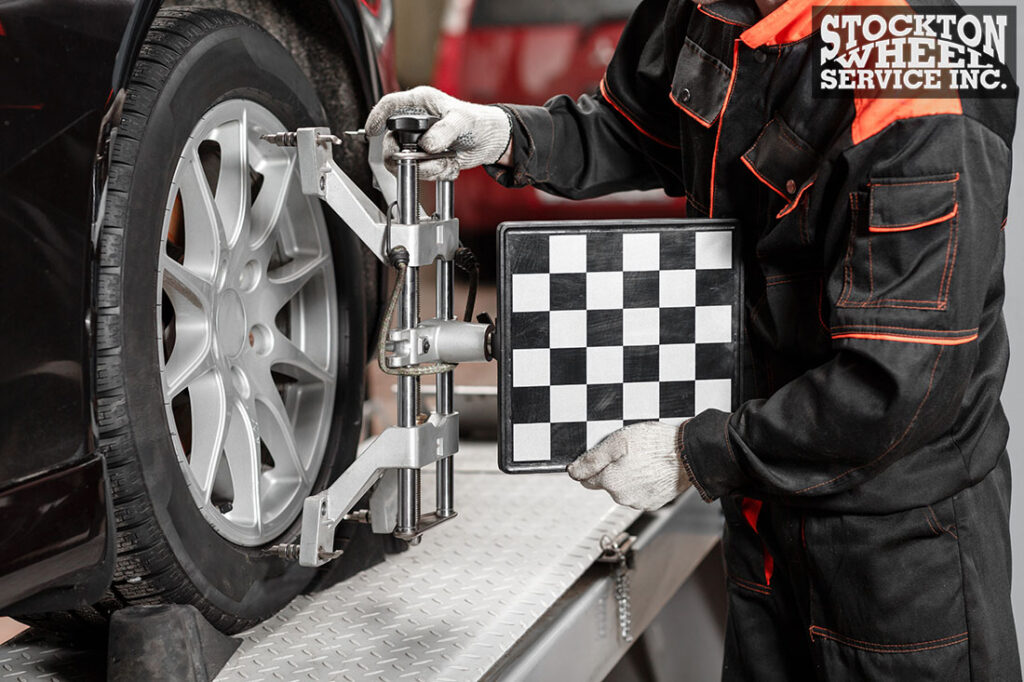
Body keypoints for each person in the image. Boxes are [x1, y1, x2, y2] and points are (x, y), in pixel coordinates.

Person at [366, 0, 1020, 677]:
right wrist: (505, 133)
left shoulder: (918, 83)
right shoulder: (709, 7)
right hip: (765, 514)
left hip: (897, 557)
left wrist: (691, 452)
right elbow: (638, 129)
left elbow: (890, 391)